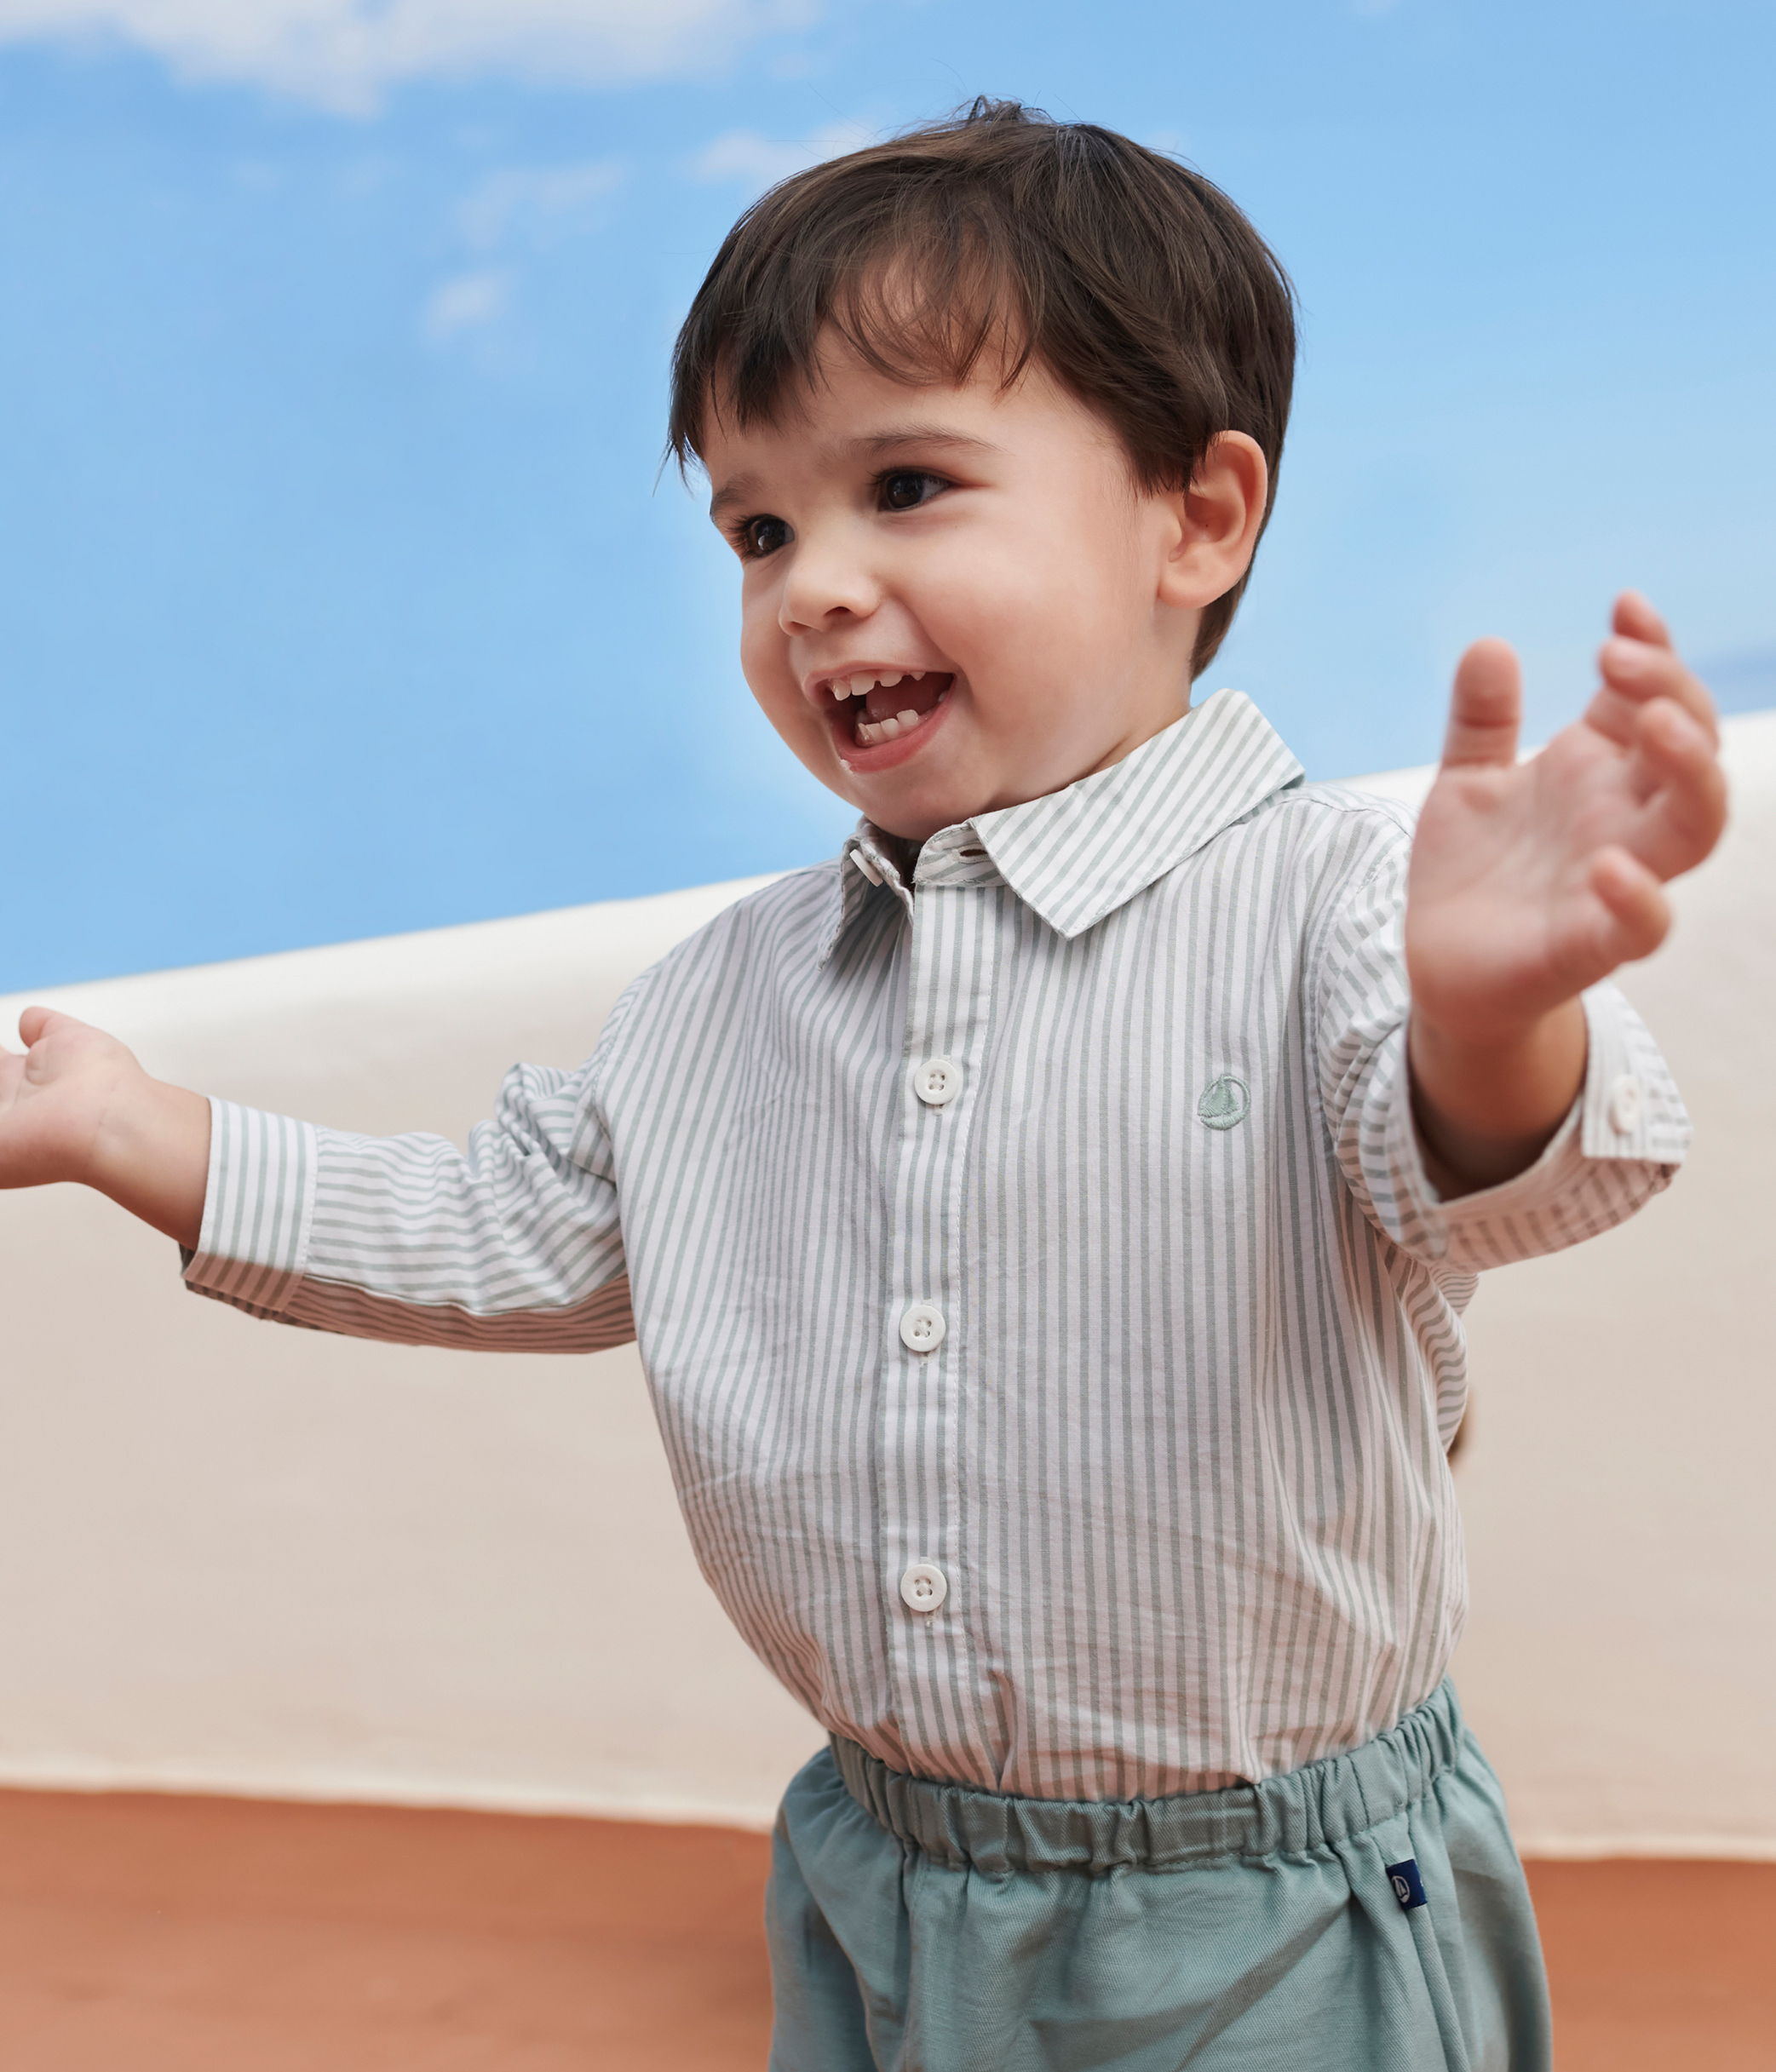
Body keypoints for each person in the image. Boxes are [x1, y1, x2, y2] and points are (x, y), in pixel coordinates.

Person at [0, 101, 1727, 2070]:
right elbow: (502, 1224)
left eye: (904, 485)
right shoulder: (721, 1000)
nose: (810, 584)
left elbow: (1498, 1170)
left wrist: (1488, 1019)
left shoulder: (1338, 910)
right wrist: (130, 1127)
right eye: (757, 529)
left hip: (1270, 1916)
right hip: (884, 1876)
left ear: (1196, 516)